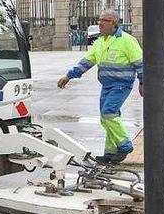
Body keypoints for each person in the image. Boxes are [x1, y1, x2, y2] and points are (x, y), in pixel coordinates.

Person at [58, 9, 143, 163]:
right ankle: (110, 153)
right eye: (100, 19)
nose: (100, 23)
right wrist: (68, 76)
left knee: (108, 113)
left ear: (114, 23)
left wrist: (143, 82)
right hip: (107, 85)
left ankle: (125, 145)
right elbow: (87, 62)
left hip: (121, 85)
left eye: (105, 20)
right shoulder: (99, 42)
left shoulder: (127, 40)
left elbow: (140, 63)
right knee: (106, 119)